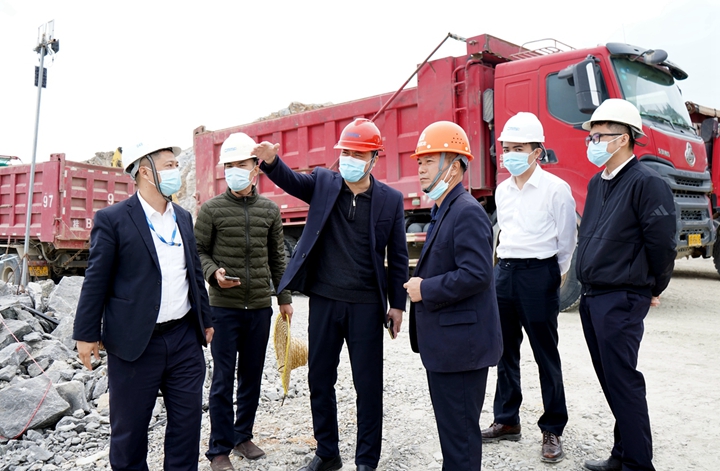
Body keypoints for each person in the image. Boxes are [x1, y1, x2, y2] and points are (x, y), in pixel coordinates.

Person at [253, 118, 409, 471]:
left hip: (367, 305)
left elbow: (398, 256)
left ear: (374, 158)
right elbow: (292, 181)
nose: (350, 159)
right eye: (346, 152)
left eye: (358, 154)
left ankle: (366, 461)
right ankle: (327, 453)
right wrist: (271, 161)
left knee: (368, 386)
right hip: (324, 300)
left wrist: (397, 306)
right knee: (320, 379)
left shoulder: (390, 200)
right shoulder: (324, 184)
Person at [73, 141, 214, 471]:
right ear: (146, 173)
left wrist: (205, 319)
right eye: (169, 166)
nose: (176, 171)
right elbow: (96, 279)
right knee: (130, 433)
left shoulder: (183, 217)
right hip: (135, 342)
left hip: (183, 339)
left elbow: (193, 271)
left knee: (186, 427)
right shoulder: (113, 219)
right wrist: (86, 333)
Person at [577, 99, 676, 471]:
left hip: (621, 297)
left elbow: (662, 242)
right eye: (591, 136)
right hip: (593, 296)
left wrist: (654, 286)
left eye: (599, 136)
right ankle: (621, 455)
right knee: (611, 380)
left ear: (623, 138)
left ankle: (637, 463)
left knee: (623, 381)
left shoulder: (647, 182)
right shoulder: (597, 182)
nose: (593, 142)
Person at [404, 121, 503, 471]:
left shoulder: (466, 211)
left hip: (462, 351)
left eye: (430, 161)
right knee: (454, 436)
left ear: (456, 166)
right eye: (420, 161)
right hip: (450, 349)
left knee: (460, 440)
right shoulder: (444, 209)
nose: (421, 168)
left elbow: (477, 274)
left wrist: (425, 289)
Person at [481, 112, 577, 463]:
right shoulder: (503, 190)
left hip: (539, 274)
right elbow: (504, 235)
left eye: (518, 148)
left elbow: (567, 239)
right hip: (504, 273)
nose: (510, 155)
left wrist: (555, 273)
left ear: (538, 152)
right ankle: (507, 419)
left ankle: (553, 428)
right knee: (504, 351)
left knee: (545, 353)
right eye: (506, 148)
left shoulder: (556, 189)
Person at [194, 132, 293, 471]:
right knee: (223, 379)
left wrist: (284, 297)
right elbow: (198, 252)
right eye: (230, 165)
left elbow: (277, 257)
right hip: (224, 308)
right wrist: (214, 274)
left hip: (259, 308)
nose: (235, 170)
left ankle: (242, 436)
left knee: (251, 376)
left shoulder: (269, 210)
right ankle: (218, 449)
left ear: (255, 167)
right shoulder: (211, 210)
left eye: (242, 164)